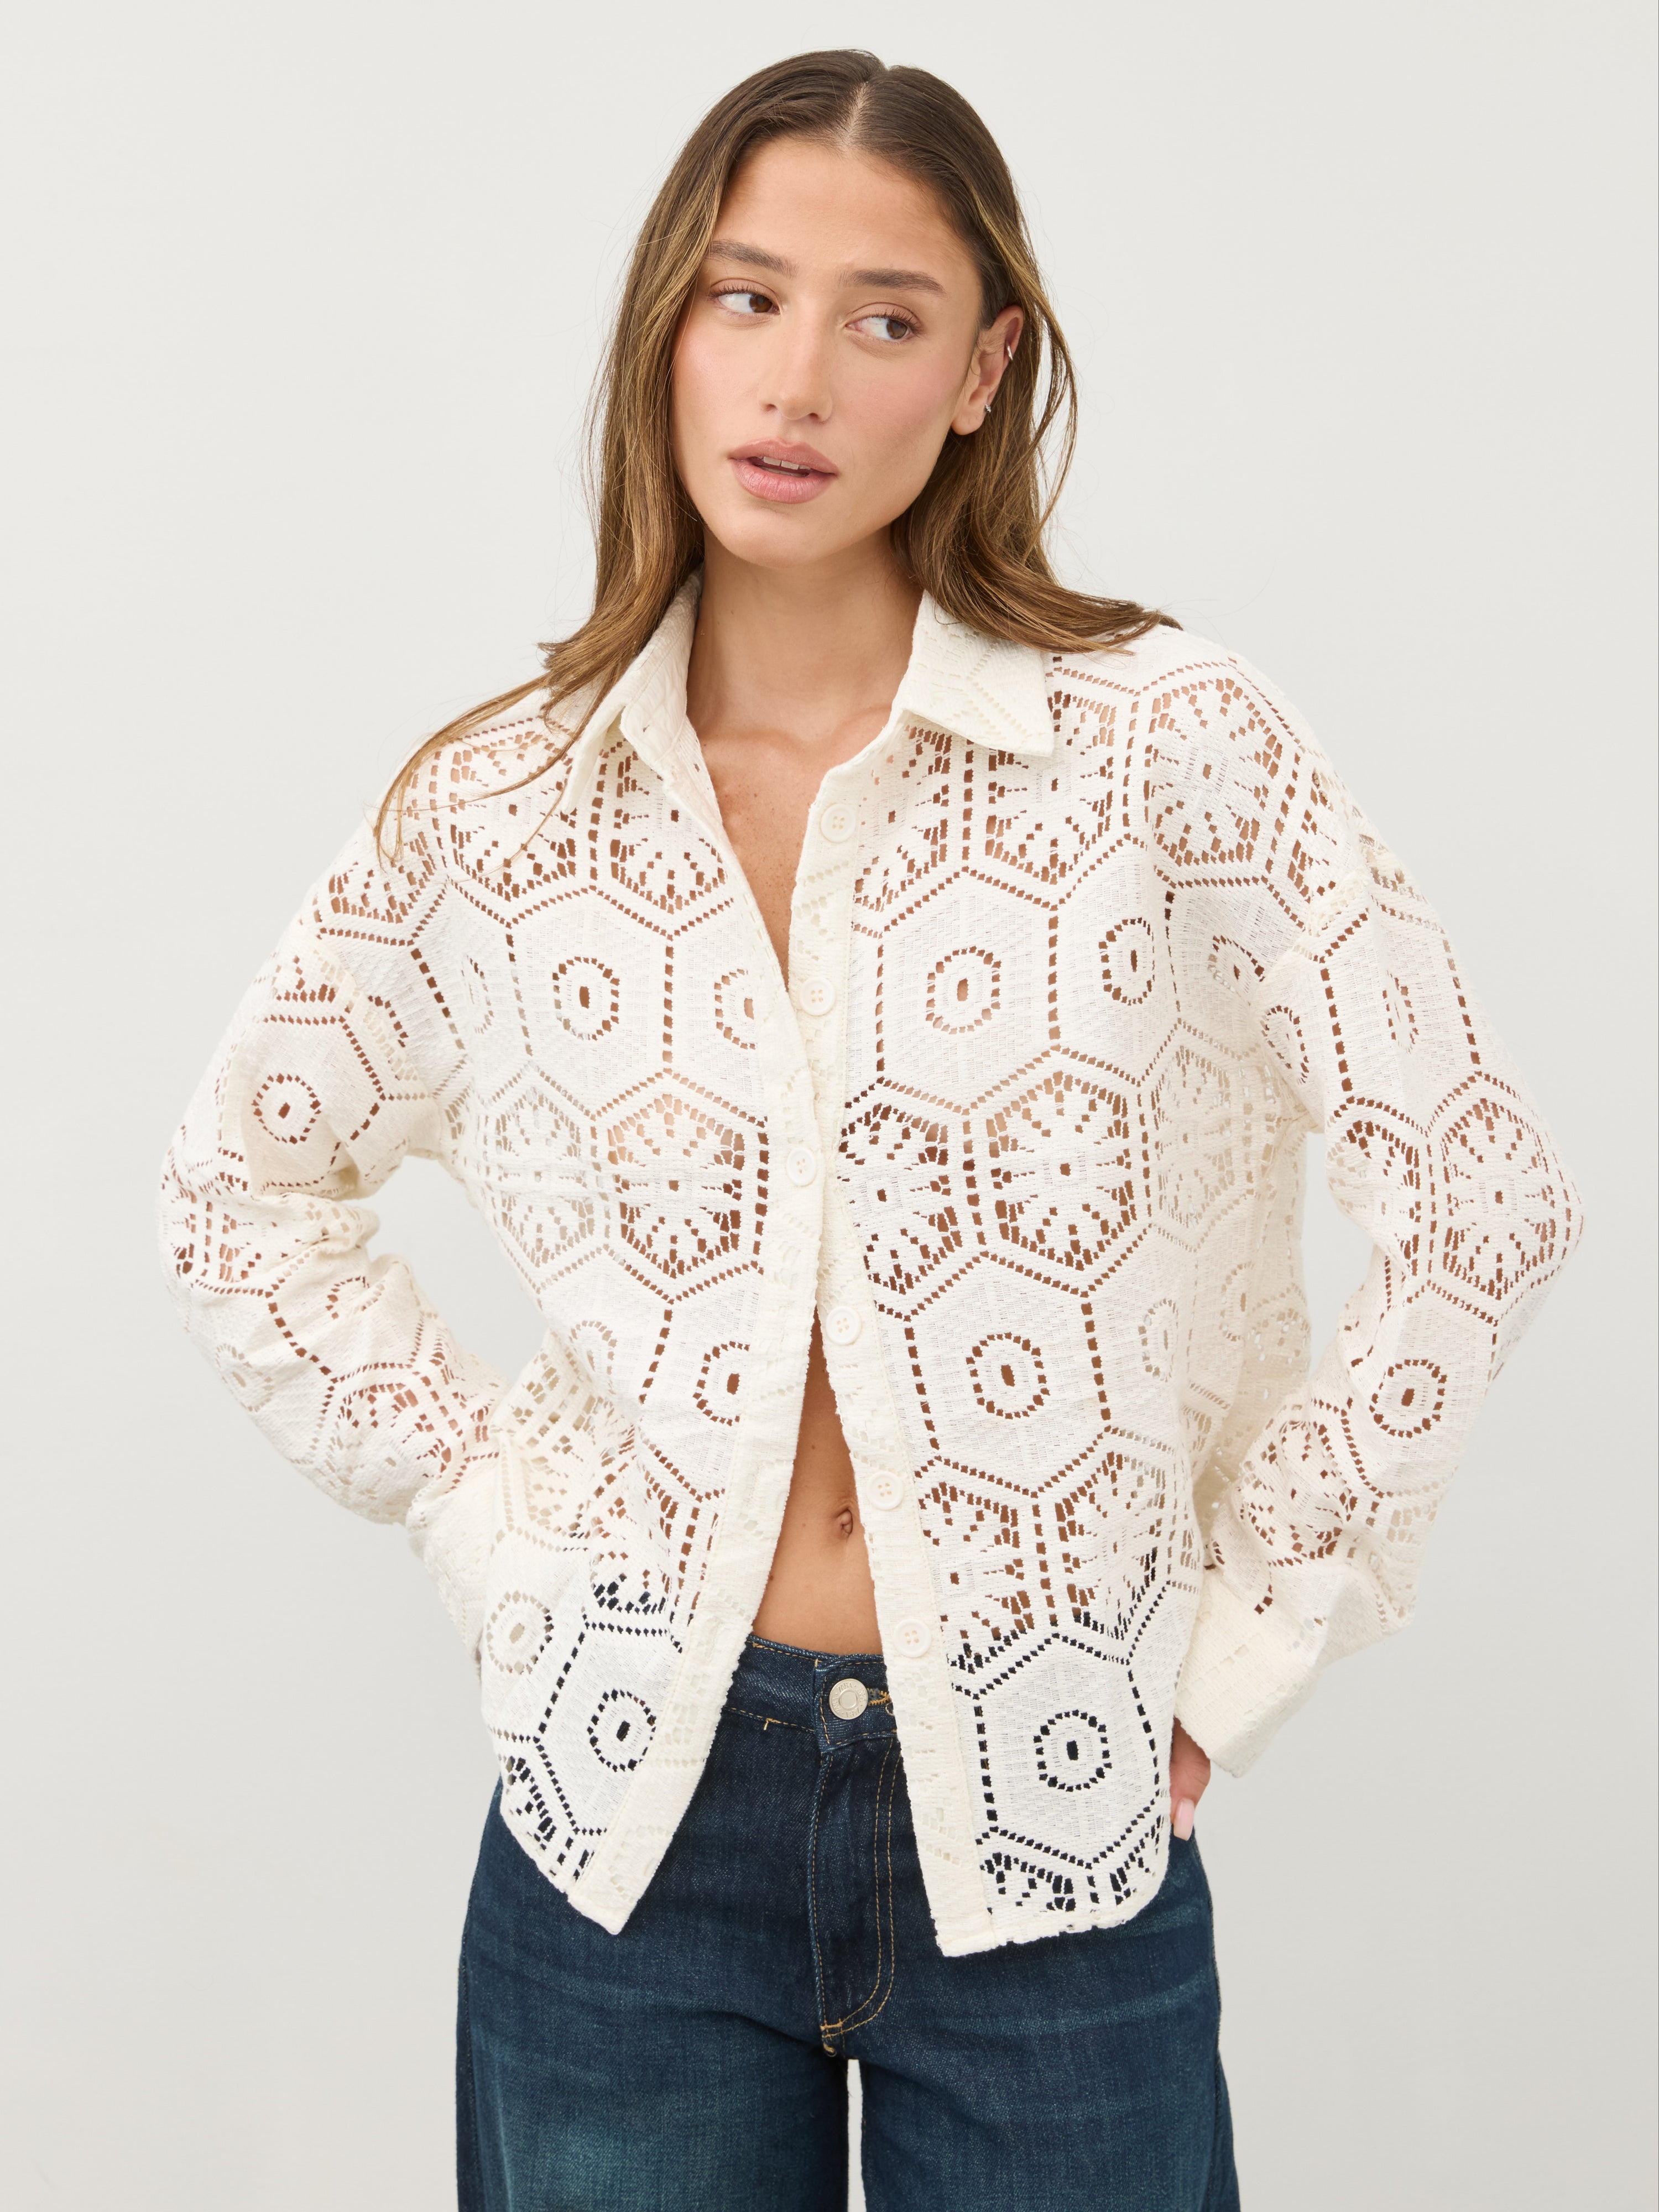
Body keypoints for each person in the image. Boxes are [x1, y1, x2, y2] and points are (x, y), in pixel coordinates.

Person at [158, 48, 1581, 2212]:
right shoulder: (511, 807)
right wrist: (495, 1540)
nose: (796, 377)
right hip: (630, 1821)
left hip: (1048, 1808)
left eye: (883, 317)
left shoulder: (1165, 752)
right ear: (668, 322)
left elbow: (1482, 1195)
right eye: (744, 296)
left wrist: (1242, 1642)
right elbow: (236, 1192)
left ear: (985, 370)